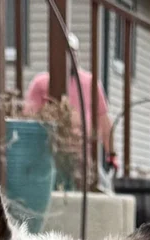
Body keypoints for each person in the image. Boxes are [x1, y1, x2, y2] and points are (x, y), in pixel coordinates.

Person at [24, 33, 113, 168]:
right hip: (48, 156)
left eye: (72, 52)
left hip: (82, 158)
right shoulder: (41, 83)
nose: (69, 57)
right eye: (65, 52)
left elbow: (104, 121)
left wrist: (112, 154)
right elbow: (28, 118)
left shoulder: (91, 83)